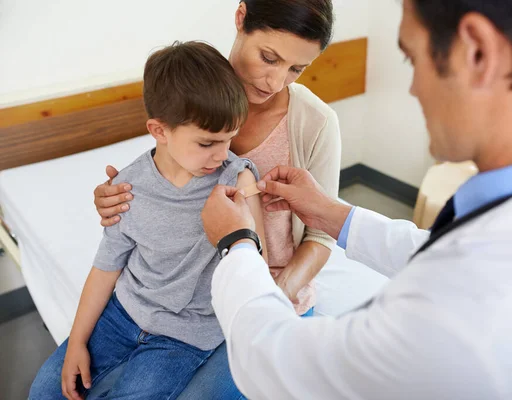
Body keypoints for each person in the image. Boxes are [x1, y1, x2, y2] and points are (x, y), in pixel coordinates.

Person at [201, 0, 512, 398]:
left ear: (477, 52)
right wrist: (332, 214)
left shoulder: (471, 317)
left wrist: (238, 244)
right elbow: (438, 251)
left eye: (412, 60)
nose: (413, 89)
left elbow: (276, 364)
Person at [30, 41, 265, 400]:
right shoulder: (128, 187)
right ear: (159, 131)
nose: (222, 155)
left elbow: (254, 263)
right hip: (122, 314)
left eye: (230, 138)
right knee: (46, 389)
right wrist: (77, 341)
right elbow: (106, 267)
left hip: (186, 334)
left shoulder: (235, 180)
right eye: (207, 143)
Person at [93, 0, 339, 319]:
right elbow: (164, 186)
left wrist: (268, 298)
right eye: (268, 58)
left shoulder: (316, 122)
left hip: (268, 292)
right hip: (185, 300)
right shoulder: (189, 91)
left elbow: (321, 234)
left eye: (296, 69)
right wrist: (119, 200)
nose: (275, 82)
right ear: (241, 17)